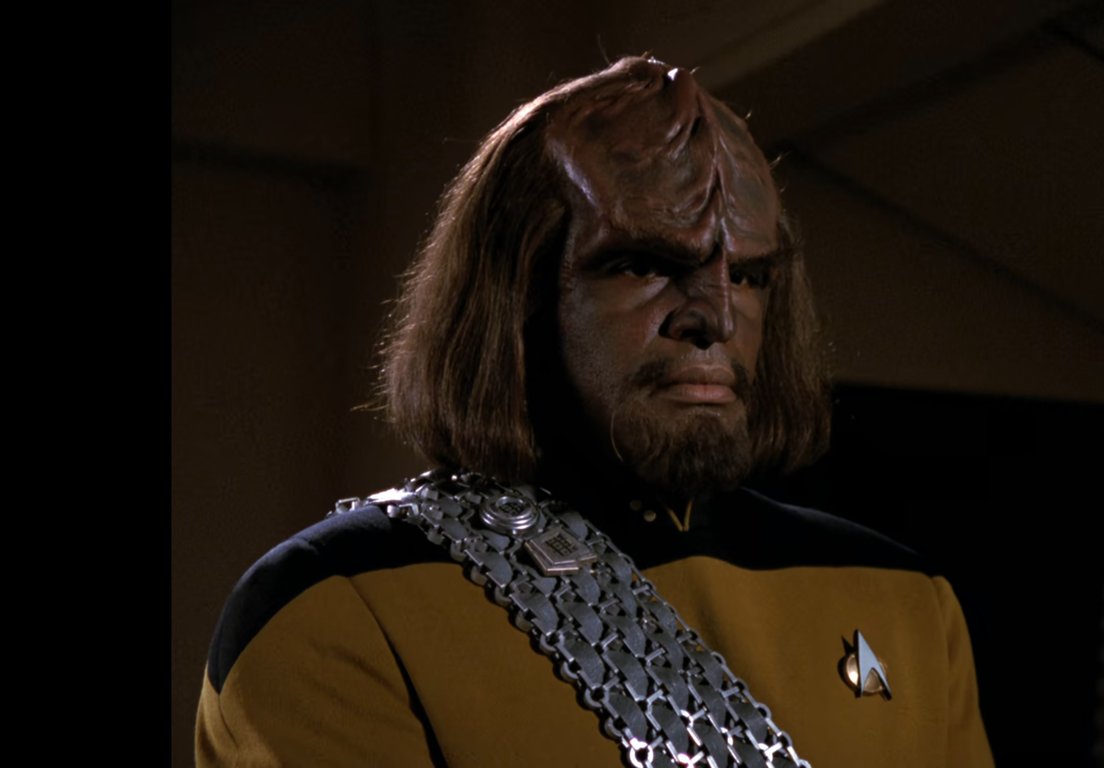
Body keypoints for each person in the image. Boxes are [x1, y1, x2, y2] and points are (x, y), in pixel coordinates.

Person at [195, 56, 994, 767]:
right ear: (516, 291)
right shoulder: (337, 605)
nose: (716, 316)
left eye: (750, 276)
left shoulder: (905, 599)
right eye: (644, 264)